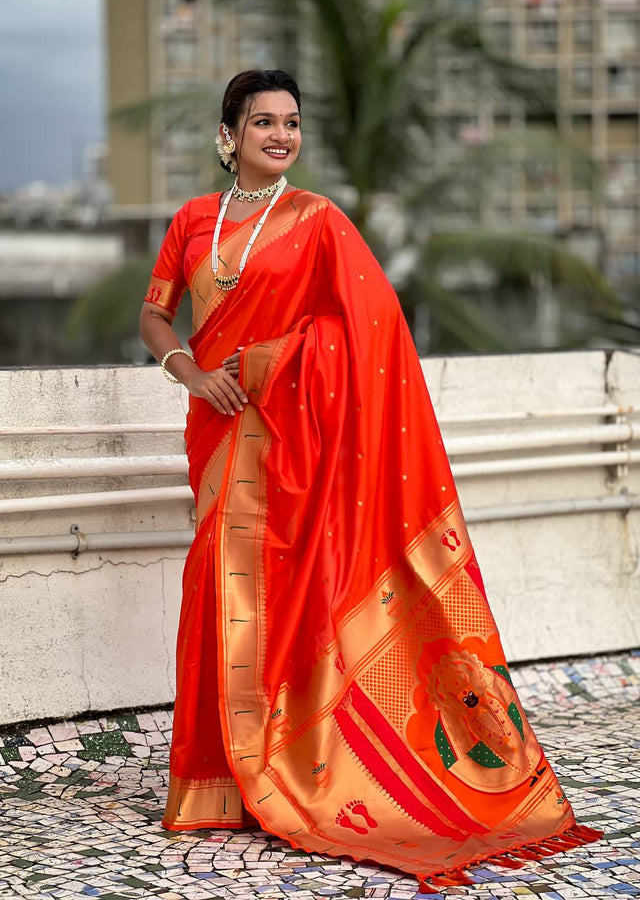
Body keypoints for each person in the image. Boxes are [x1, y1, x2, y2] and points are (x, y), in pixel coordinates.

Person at [140, 69, 599, 892]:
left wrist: (277, 359)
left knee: (290, 594)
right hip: (218, 431)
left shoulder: (318, 223)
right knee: (213, 590)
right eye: (262, 123)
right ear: (229, 136)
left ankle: (293, 766)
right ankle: (217, 782)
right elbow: (155, 312)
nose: (281, 135)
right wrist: (187, 369)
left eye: (291, 122)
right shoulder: (191, 222)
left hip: (297, 446)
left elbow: (370, 328)